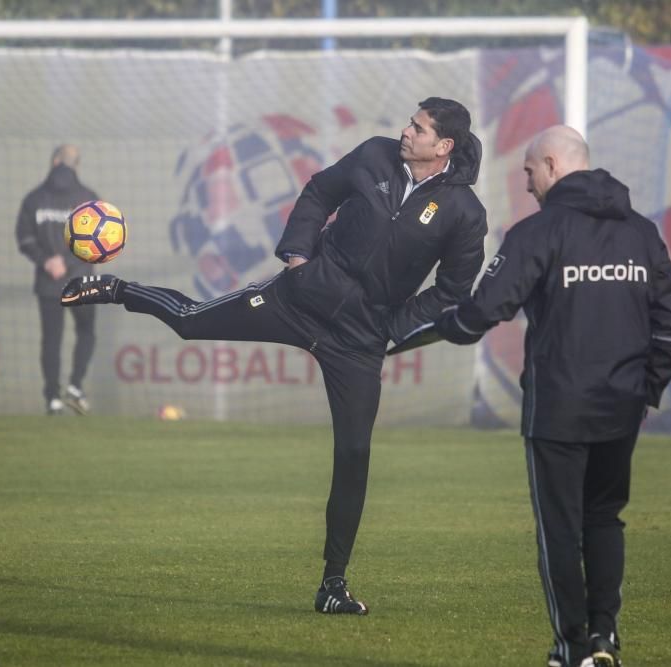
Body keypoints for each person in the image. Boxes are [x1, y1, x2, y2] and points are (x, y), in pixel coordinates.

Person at [61, 97, 488, 614]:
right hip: (297, 299)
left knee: (353, 460)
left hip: (359, 340)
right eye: (409, 121)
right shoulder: (375, 155)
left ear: (442, 146)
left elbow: (451, 294)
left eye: (417, 128)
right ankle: (114, 288)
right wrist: (298, 253)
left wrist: (388, 329)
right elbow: (319, 191)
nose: (405, 130)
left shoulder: (465, 213)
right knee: (191, 321)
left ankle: (332, 586)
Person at [433, 125, 671, 667]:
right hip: (621, 407)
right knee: (605, 519)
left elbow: (486, 310)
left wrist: (441, 325)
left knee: (560, 530)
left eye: (528, 173)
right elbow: (670, 326)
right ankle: (603, 639)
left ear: (550, 165)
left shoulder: (539, 232)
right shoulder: (642, 233)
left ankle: (571, 649)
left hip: (558, 409)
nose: (527, 186)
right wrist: (646, 391)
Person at [16, 144, 99, 415]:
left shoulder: (33, 199)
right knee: (86, 332)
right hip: (82, 281)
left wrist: (47, 261)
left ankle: (52, 397)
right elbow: (96, 241)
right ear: (76, 164)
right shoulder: (88, 198)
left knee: (51, 339)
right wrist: (70, 262)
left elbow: (24, 238)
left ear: (54, 161)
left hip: (48, 282)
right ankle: (75, 386)